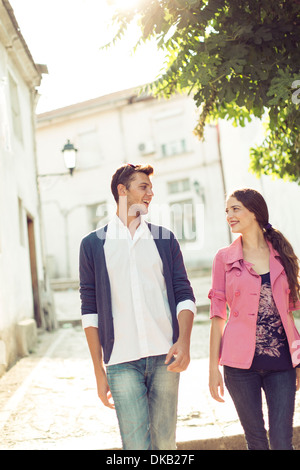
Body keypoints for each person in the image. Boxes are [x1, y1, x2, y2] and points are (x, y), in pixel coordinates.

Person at [79, 163, 196, 450]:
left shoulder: (165, 239)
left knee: (166, 444)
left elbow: (184, 294)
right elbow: (89, 311)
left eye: (151, 188)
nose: (150, 193)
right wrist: (98, 370)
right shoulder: (93, 245)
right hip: (121, 361)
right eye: (143, 187)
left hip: (165, 356)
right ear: (122, 190)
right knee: (135, 447)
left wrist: (184, 341)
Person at [208, 188, 300, 450]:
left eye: (235, 209)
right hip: (239, 368)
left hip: (281, 364)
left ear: (254, 212)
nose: (229, 215)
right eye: (227, 210)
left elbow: (290, 314)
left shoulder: (282, 254)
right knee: (256, 442)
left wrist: (298, 359)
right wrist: (213, 367)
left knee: (283, 442)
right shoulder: (223, 258)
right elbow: (217, 316)